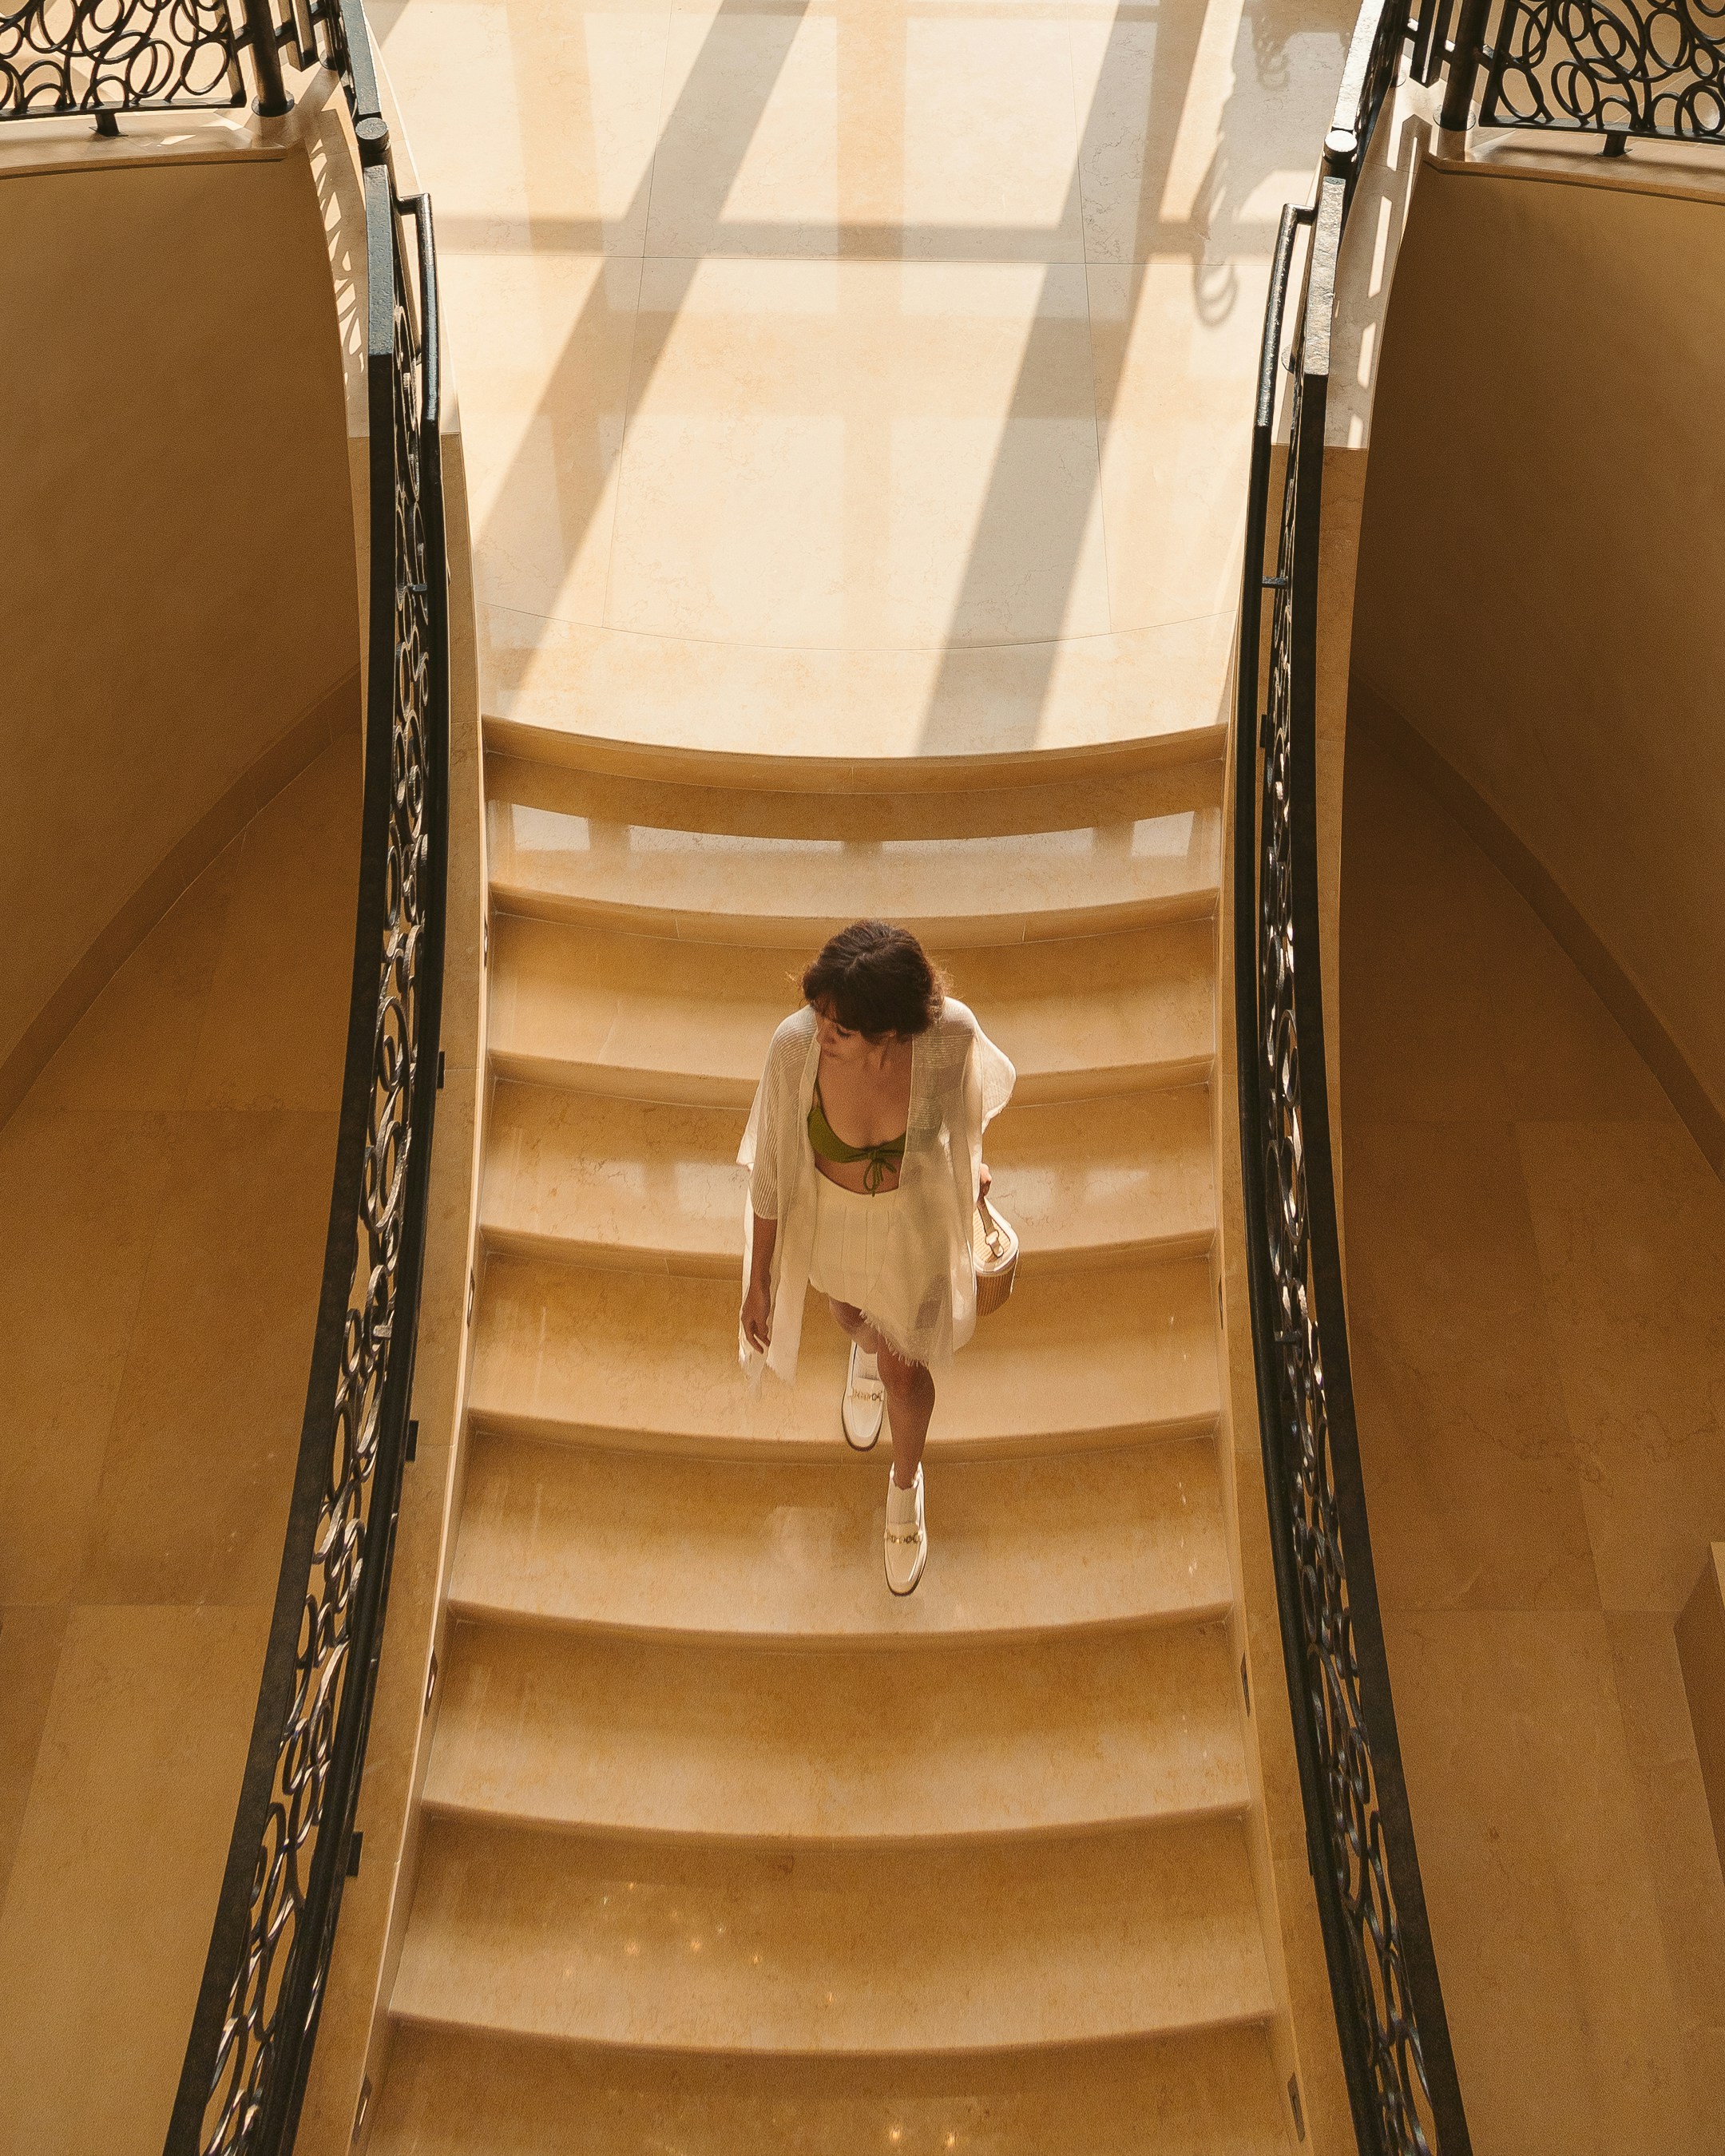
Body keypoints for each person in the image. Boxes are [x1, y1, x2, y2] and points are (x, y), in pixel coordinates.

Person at [738, 921, 1014, 1594]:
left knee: (905, 1375)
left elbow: (966, 1118)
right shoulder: (794, 1046)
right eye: (821, 1015)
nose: (821, 1034)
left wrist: (970, 1173)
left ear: (890, 1035)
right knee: (849, 1318)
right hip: (829, 1227)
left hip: (911, 1230)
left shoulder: (950, 1036)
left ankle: (905, 1485)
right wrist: (760, 1281)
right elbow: (772, 1170)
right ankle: (865, 1348)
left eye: (841, 1029)